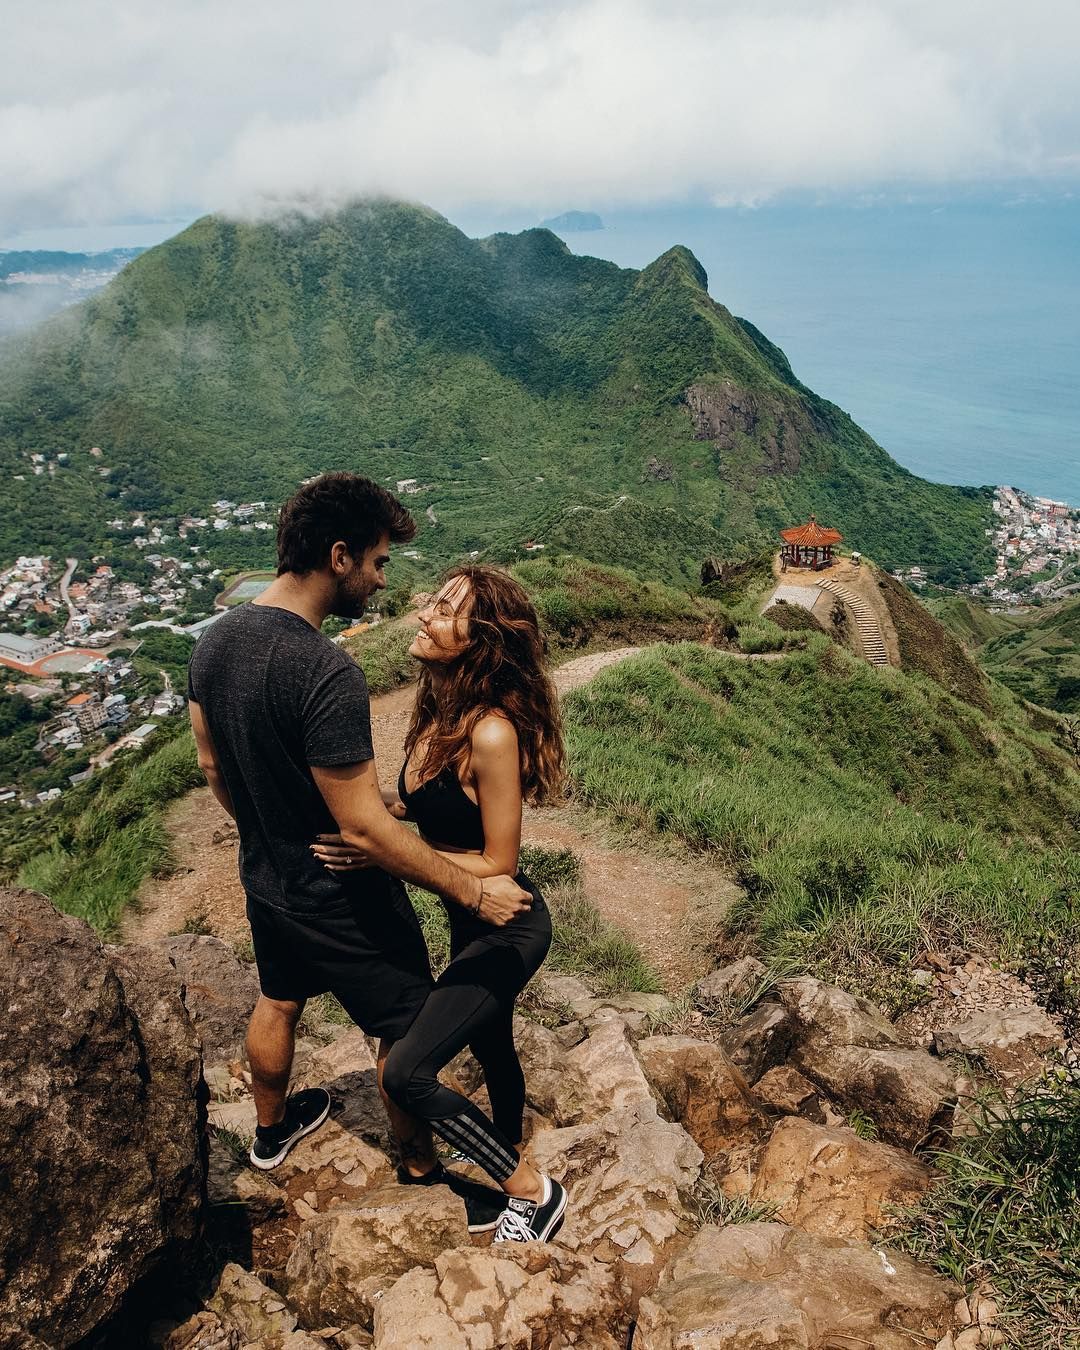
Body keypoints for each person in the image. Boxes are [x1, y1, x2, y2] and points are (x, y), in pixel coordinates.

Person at [186, 473, 530, 1237]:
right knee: (400, 1037)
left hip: (266, 874)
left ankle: (272, 1133)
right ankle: (420, 1170)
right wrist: (474, 895)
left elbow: (212, 768)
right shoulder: (323, 670)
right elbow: (367, 829)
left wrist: (268, 829)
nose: (381, 581)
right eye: (376, 562)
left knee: (278, 998)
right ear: (338, 556)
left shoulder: (214, 643)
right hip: (341, 894)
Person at [312, 565, 568, 1243]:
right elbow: (420, 809)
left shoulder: (490, 732)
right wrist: (364, 812)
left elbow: (498, 864)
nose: (425, 614)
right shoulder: (436, 714)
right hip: (467, 916)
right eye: (433, 601)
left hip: (508, 922)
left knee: (405, 1071)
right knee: (490, 1040)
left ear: (480, 640)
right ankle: (507, 1142)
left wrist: (384, 849)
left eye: (446, 611)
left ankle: (535, 1196)